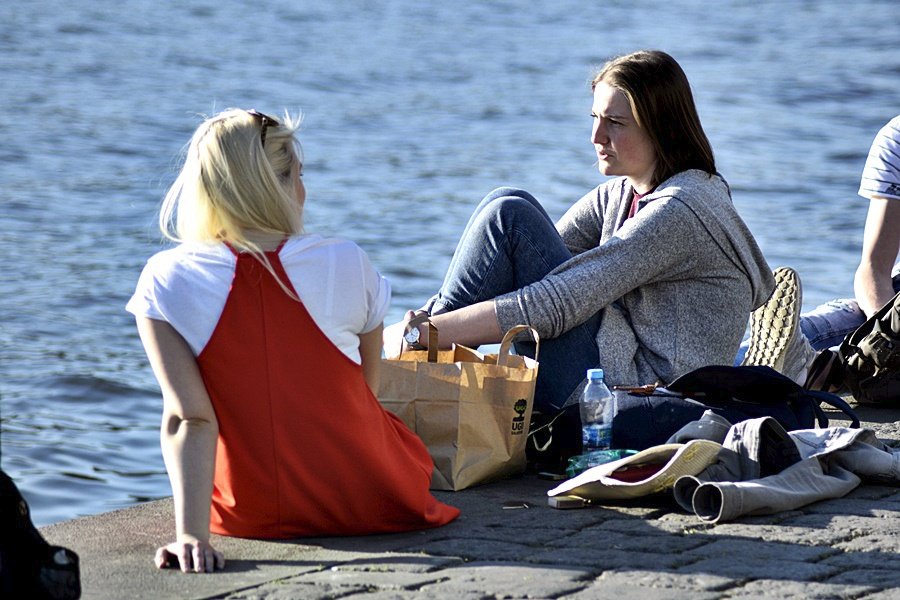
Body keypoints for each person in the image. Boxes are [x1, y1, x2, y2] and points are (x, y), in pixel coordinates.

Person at [127, 109, 458, 573]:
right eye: (298, 175)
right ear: (276, 186)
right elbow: (365, 390)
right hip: (372, 498)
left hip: (246, 514)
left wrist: (190, 537)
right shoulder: (345, 261)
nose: (304, 191)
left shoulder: (167, 279)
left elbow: (189, 419)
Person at [384, 50, 775, 439]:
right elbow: (527, 264)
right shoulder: (622, 193)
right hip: (610, 372)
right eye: (595, 118)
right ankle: (409, 362)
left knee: (511, 218)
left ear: (662, 128)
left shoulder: (679, 211)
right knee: (506, 202)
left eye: (615, 123)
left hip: (635, 402)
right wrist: (431, 322)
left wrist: (428, 331)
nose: (596, 137)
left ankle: (403, 364)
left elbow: (557, 301)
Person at [739, 115, 900, 387]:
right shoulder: (897, 137)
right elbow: (873, 271)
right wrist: (884, 337)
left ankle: (821, 370)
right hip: (893, 306)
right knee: (793, 334)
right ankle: (689, 382)